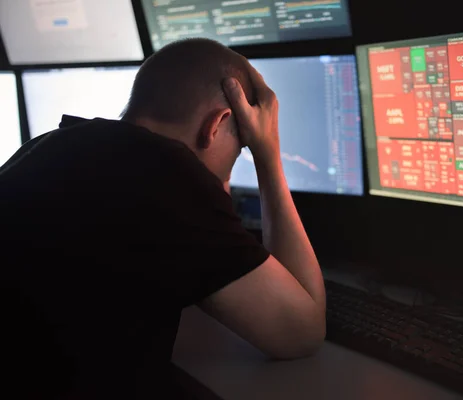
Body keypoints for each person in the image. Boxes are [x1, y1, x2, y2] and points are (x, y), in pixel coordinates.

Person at [1, 39, 326, 399]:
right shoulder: (169, 178)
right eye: (240, 148)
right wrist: (267, 151)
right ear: (217, 124)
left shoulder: (50, 144)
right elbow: (302, 332)